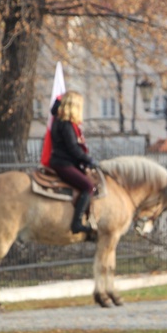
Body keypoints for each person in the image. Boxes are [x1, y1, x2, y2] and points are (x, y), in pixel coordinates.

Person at [49, 91, 97, 235]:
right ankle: (76, 223)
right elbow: (73, 148)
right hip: (63, 163)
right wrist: (89, 160)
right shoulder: (66, 124)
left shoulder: (61, 121)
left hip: (66, 162)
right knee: (88, 186)